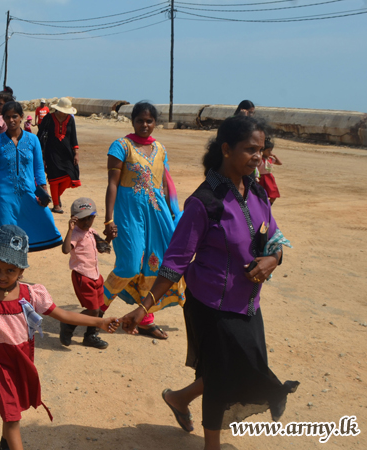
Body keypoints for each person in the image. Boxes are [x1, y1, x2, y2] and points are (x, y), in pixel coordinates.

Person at [119, 115, 298, 450]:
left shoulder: (257, 192)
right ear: (226, 149)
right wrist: (143, 307)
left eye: (261, 150)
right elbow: (175, 262)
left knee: (238, 366)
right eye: (250, 150)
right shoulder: (205, 202)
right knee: (220, 376)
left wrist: (273, 260)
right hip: (210, 306)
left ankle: (178, 398)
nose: (258, 157)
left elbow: (275, 239)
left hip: (247, 303)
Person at [0, 225, 120, 450]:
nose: (2, 276)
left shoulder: (31, 294)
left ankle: (5, 445)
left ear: (21, 271)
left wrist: (99, 321)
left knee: (12, 408)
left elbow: (62, 314)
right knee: (12, 415)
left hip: (22, 357)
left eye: (10, 270)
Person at [102, 101, 185, 339]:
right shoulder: (121, 146)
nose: (145, 125)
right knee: (129, 264)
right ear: (133, 121)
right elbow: (113, 184)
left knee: (154, 264)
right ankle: (97, 310)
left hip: (156, 213)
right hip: (129, 213)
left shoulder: (160, 148)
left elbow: (166, 184)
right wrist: (109, 219)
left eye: (149, 121)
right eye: (140, 120)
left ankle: (146, 319)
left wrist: (173, 213)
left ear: (155, 123)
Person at [0, 101, 63, 252]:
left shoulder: (33, 140)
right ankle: (12, 269)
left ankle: (18, 267)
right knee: (7, 231)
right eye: (7, 117)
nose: (11, 120)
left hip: (28, 193)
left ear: (21, 117)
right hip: (3, 196)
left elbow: (38, 168)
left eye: (15, 116)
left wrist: (43, 190)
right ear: (3, 119)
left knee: (41, 221)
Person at [60, 198, 112, 349]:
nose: (87, 222)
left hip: (96, 275)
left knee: (99, 307)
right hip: (83, 276)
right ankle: (69, 324)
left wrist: (109, 237)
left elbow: (103, 248)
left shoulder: (92, 232)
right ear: (74, 220)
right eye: (82, 219)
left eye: (90, 217)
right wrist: (70, 230)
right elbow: (65, 250)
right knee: (93, 309)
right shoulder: (75, 234)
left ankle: (90, 336)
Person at [37, 97, 81, 214]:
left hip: (67, 153)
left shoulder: (70, 120)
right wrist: (40, 152)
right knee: (54, 178)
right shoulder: (48, 118)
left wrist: (76, 153)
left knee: (70, 175)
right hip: (51, 152)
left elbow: (73, 137)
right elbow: (40, 135)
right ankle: (56, 205)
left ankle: (56, 197)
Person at [257, 137, 282, 205]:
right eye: (268, 150)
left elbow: (280, 163)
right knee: (261, 195)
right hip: (261, 178)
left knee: (273, 195)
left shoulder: (270, 159)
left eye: (271, 150)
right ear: (262, 151)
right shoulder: (260, 159)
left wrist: (275, 155)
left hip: (269, 178)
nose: (270, 152)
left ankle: (268, 206)